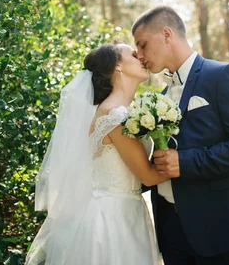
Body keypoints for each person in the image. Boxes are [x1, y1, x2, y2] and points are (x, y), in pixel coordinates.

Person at [132, 6, 229, 265]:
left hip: (218, 227)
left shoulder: (223, 75)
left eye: (142, 45)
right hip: (171, 229)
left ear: (167, 34)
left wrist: (185, 163)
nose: (139, 55)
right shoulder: (160, 97)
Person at [25, 43, 166, 265]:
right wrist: (191, 163)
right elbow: (147, 176)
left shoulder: (123, 112)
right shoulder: (114, 115)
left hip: (127, 212)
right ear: (118, 65)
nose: (140, 56)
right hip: (112, 220)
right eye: (132, 53)